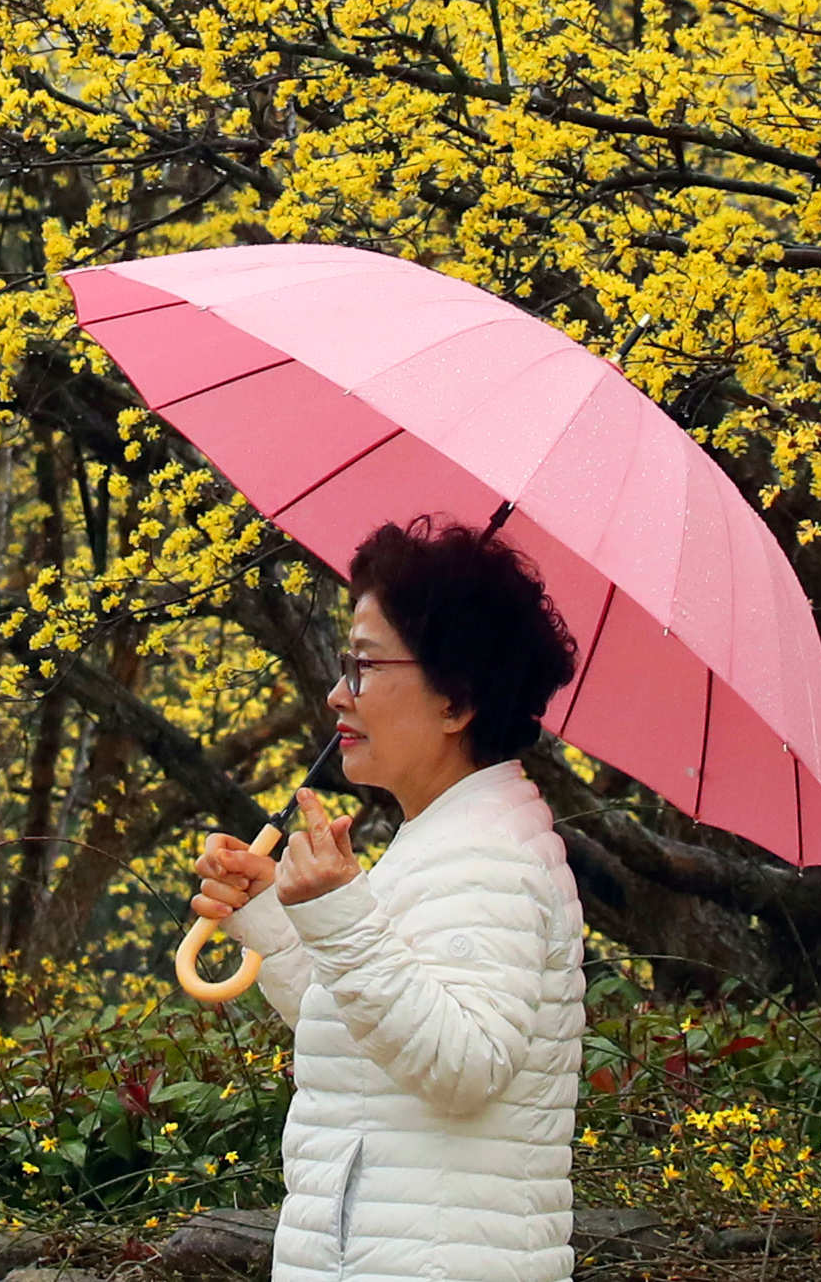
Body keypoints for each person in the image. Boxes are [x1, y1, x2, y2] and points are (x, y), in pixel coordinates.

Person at [192, 519, 587, 1282]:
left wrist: (342, 916)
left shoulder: (488, 858)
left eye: (366, 666)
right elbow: (373, 1041)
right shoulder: (441, 839)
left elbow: (464, 1065)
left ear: (455, 702)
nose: (339, 692)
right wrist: (277, 917)